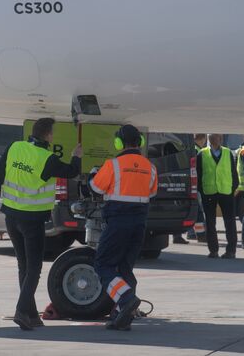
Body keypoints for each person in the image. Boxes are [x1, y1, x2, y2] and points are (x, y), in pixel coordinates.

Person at [0, 117, 82, 330]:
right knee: (34, 268)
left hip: (11, 217)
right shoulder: (47, 158)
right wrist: (76, 157)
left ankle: (30, 314)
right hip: (32, 219)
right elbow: (72, 172)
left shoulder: (15, 147)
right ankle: (21, 311)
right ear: (48, 135)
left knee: (24, 266)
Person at [90, 125, 157, 331]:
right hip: (139, 224)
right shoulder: (150, 167)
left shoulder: (114, 165)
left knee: (103, 265)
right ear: (140, 143)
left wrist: (95, 174)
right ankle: (122, 317)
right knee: (125, 267)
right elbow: (151, 193)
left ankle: (127, 298)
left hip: (118, 222)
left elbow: (95, 188)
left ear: (119, 143)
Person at [197, 134, 238, 259]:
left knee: (230, 221)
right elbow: (199, 172)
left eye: (217, 137)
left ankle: (231, 251)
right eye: (213, 138)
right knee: (210, 222)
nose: (216, 139)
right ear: (209, 140)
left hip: (226, 191)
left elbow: (233, 172)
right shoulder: (202, 154)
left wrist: (232, 189)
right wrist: (202, 190)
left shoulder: (227, 153)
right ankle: (213, 250)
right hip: (209, 191)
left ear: (220, 139)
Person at [187, 134, 207, 242]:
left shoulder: (194, 149)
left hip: (192, 184)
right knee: (198, 211)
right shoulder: (197, 151)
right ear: (203, 139)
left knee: (194, 210)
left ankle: (191, 233)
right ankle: (200, 234)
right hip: (196, 185)